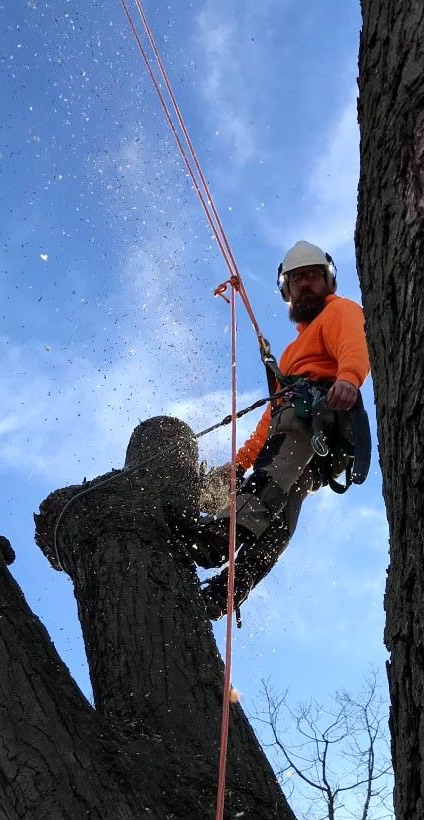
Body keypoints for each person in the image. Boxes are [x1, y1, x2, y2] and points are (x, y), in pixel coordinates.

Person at [169, 240, 372, 618]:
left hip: (322, 414)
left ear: (328, 281)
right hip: (302, 427)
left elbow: (354, 344)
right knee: (280, 513)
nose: (306, 285)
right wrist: (242, 460)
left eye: (313, 277)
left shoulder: (340, 311)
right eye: (298, 280)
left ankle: (214, 541)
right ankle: (230, 590)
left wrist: (349, 378)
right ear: (287, 290)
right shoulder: (294, 351)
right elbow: (272, 416)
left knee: (272, 480)